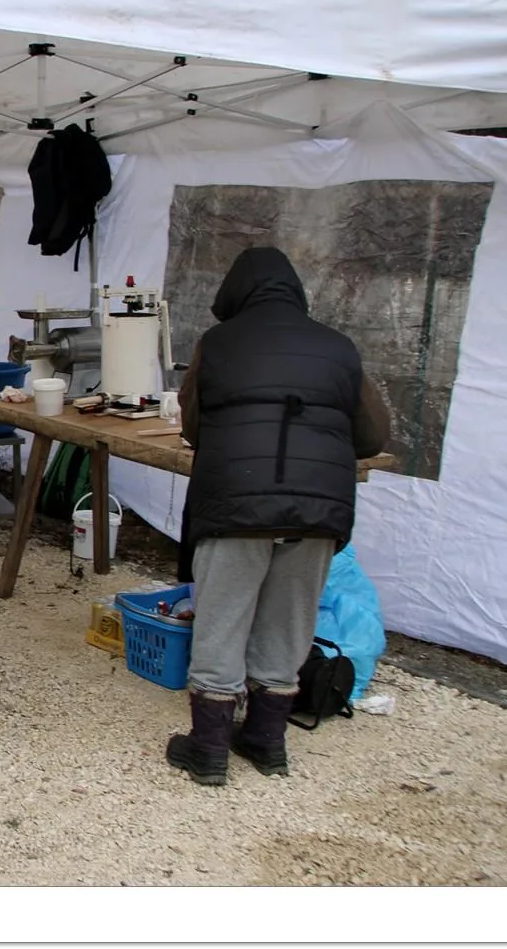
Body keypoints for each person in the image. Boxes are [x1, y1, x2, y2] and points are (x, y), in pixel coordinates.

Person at [166, 246, 389, 786]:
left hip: (237, 502)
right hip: (318, 508)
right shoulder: (338, 346)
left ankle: (209, 748)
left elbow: (194, 426)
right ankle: (267, 742)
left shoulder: (218, 343)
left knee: (223, 618)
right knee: (289, 622)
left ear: (234, 294)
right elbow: (372, 436)